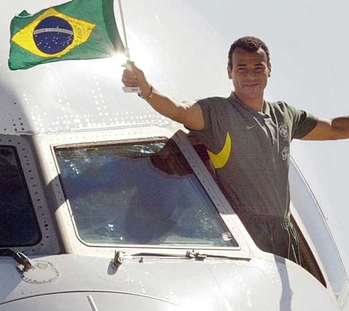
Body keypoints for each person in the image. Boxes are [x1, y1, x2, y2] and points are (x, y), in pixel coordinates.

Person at [122, 36, 349, 264]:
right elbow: (179, 110)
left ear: (269, 70)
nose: (250, 76)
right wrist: (147, 90)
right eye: (242, 69)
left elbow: (333, 128)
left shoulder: (284, 115)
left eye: (258, 68)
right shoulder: (218, 112)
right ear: (229, 72)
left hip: (284, 232)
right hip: (248, 232)